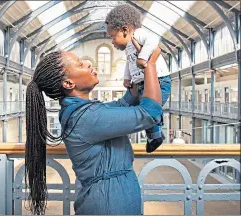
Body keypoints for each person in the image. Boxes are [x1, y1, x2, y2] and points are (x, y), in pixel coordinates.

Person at [25, 47, 162, 215]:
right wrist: (151, 66)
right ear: (68, 84)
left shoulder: (84, 111)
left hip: (113, 199)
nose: (87, 63)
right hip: (108, 204)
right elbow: (150, 113)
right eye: (79, 64)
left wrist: (134, 80)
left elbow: (122, 106)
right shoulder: (86, 117)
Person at [105, 4, 171, 153]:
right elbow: (129, 63)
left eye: (112, 36)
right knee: (131, 106)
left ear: (125, 30)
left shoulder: (138, 35)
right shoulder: (129, 46)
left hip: (158, 82)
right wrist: (127, 78)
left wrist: (142, 58)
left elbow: (153, 41)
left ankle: (155, 137)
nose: (112, 42)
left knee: (148, 111)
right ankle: (155, 135)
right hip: (139, 84)